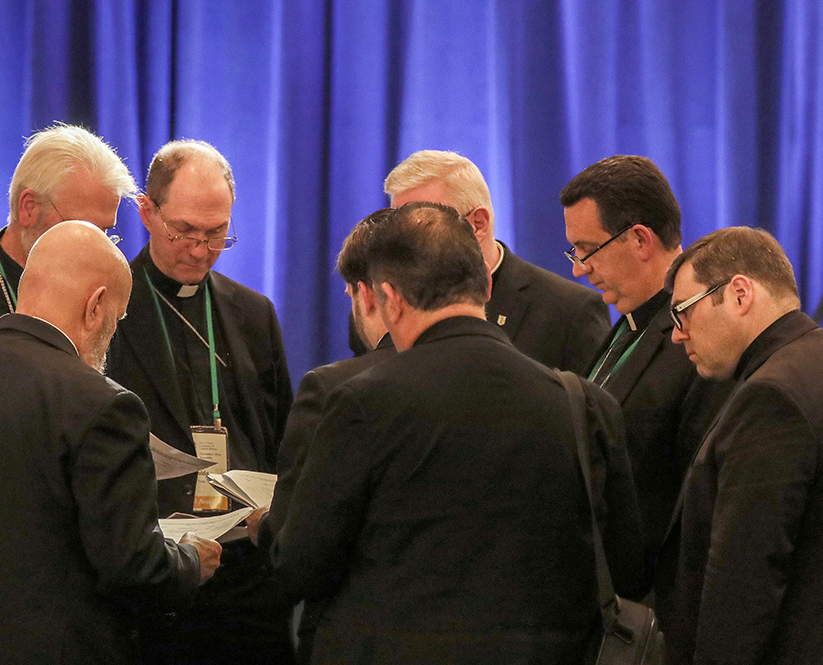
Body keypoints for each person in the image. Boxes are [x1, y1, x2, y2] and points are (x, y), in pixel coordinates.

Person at [273, 202, 644, 665]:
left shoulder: (359, 403)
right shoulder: (584, 403)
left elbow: (301, 566)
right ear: (487, 286)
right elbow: (627, 565)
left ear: (390, 298)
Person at [0, 221, 222, 664]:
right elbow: (132, 568)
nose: (112, 335)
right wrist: (189, 560)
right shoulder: (104, 405)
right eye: (117, 319)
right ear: (96, 306)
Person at [107, 139, 294, 664]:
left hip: (247, 576)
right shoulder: (110, 308)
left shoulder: (254, 314)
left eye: (216, 235)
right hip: (154, 574)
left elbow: (282, 437)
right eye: (184, 230)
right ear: (147, 212)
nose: (198, 249)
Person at [559, 155, 729, 614]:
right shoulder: (626, 323)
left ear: (639, 239)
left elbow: (696, 502)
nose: (579, 268)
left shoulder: (698, 338)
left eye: (587, 249)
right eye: (574, 252)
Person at [663, 227, 823, 665]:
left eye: (682, 312)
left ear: (739, 294)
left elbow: (745, 580)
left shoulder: (771, 395)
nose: (677, 334)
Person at [246, 208, 398, 665]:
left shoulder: (335, 391)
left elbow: (300, 557)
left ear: (368, 296)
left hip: (363, 640)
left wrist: (266, 529)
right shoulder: (554, 390)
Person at [382, 149, 609, 371]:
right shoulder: (389, 303)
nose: (406, 246)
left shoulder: (569, 311)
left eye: (424, 226)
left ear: (478, 223)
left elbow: (593, 406)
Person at [0, 123, 136, 339]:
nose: (97, 248)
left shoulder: (99, 300)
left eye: (104, 233)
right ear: (29, 207)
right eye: (82, 229)